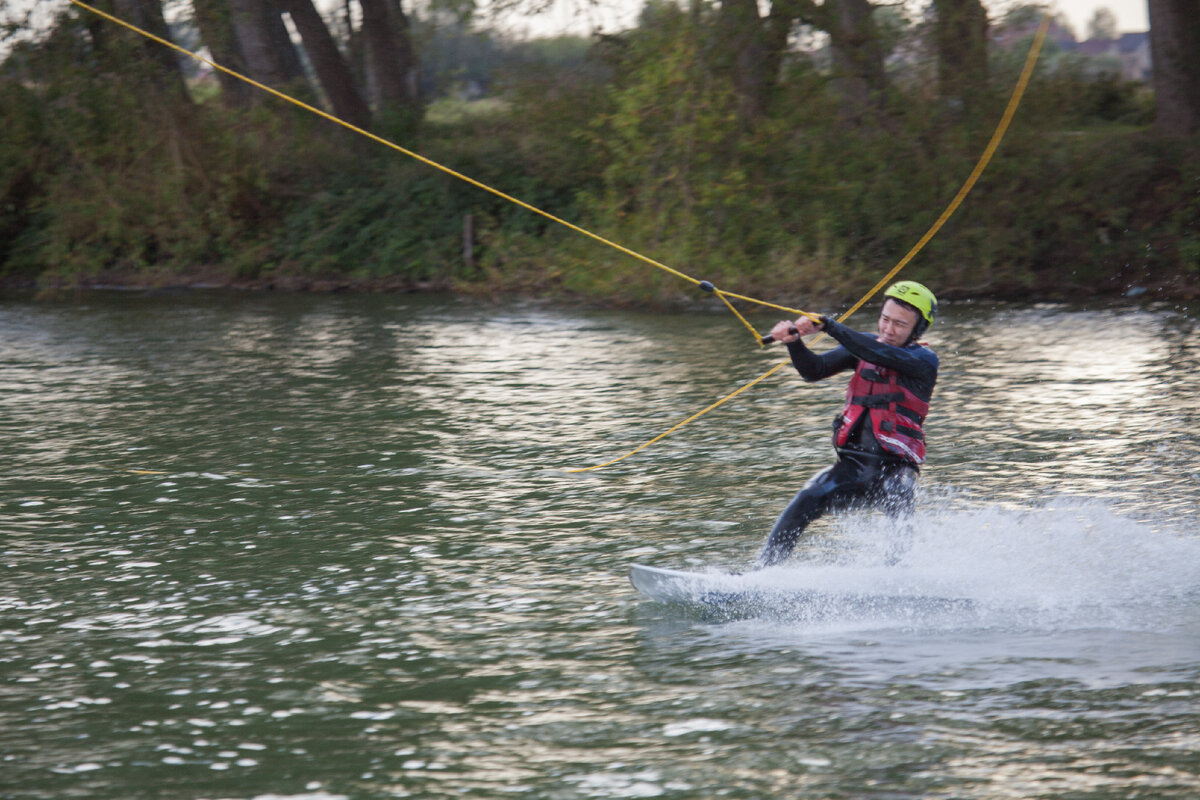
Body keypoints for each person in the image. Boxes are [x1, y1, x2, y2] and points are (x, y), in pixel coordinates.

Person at [757, 281, 939, 567]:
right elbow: (813, 371)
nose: (888, 329)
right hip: (853, 467)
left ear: (917, 330)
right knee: (807, 497)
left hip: (895, 468)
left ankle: (898, 574)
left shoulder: (924, 361)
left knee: (898, 492)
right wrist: (794, 343)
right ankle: (763, 574)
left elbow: (880, 354)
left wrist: (829, 326)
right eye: (885, 319)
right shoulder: (864, 348)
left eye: (900, 325)